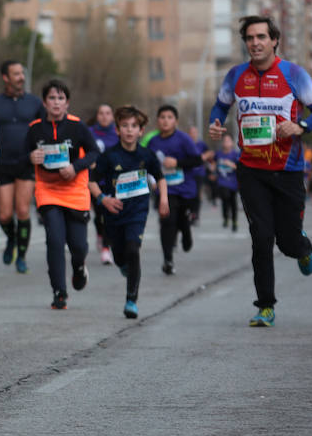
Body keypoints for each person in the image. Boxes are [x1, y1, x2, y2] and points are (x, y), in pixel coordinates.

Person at [208, 15, 312, 328]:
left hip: (287, 170)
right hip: (251, 170)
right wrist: (216, 121)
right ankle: (265, 306)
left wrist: (299, 126)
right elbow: (220, 105)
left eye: (261, 37)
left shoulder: (293, 74)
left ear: (274, 40)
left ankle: (302, 247)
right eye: (250, 38)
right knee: (261, 237)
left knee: (286, 242)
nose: (255, 43)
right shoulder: (236, 75)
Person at [24, 80, 99, 310]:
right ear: (45, 102)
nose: (56, 103)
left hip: (75, 190)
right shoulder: (35, 128)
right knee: (55, 241)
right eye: (51, 98)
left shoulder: (78, 126)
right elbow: (24, 154)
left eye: (60, 98)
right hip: (48, 191)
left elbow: (94, 152)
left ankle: (79, 267)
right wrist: (31, 157)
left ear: (67, 103)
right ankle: (59, 292)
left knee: (78, 246)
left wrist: (75, 167)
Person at [89, 106, 169, 319]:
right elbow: (92, 182)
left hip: (137, 212)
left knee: (133, 250)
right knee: (119, 256)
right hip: (114, 214)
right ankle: (123, 265)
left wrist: (163, 199)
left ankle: (131, 300)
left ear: (141, 131)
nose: (129, 130)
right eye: (125, 126)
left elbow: (160, 178)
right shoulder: (109, 156)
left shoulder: (146, 155)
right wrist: (103, 199)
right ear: (117, 130)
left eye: (134, 126)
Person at [0, 60, 44, 274]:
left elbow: (45, 131)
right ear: (6, 77)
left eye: (22, 73)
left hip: (26, 164)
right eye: (16, 74)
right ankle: (12, 240)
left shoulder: (34, 103)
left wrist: (43, 153)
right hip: (3, 164)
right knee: (4, 215)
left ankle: (21, 257)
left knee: (23, 210)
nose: (21, 77)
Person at [147, 105, 203, 276]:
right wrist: (152, 181)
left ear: (176, 121)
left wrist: (177, 163)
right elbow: (148, 165)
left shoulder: (183, 139)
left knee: (181, 220)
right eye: (162, 117)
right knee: (167, 221)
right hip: (165, 191)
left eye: (169, 117)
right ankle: (168, 259)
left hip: (185, 189)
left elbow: (197, 161)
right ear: (158, 120)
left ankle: (186, 232)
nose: (165, 120)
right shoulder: (153, 142)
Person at [88, 103, 118, 265]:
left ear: (112, 116)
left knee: (109, 214)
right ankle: (100, 235)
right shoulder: (89, 133)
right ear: (97, 116)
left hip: (113, 181)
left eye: (108, 113)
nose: (105, 116)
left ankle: (106, 248)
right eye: (101, 113)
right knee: (99, 215)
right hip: (94, 182)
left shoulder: (118, 133)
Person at [213, 135, 240, 231]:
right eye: (224, 141)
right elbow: (213, 162)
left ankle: (234, 221)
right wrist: (213, 169)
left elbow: (239, 168)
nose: (226, 142)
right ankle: (225, 218)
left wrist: (231, 164)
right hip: (222, 182)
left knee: (233, 203)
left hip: (233, 183)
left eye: (228, 141)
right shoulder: (218, 154)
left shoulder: (235, 154)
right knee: (225, 198)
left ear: (232, 143)